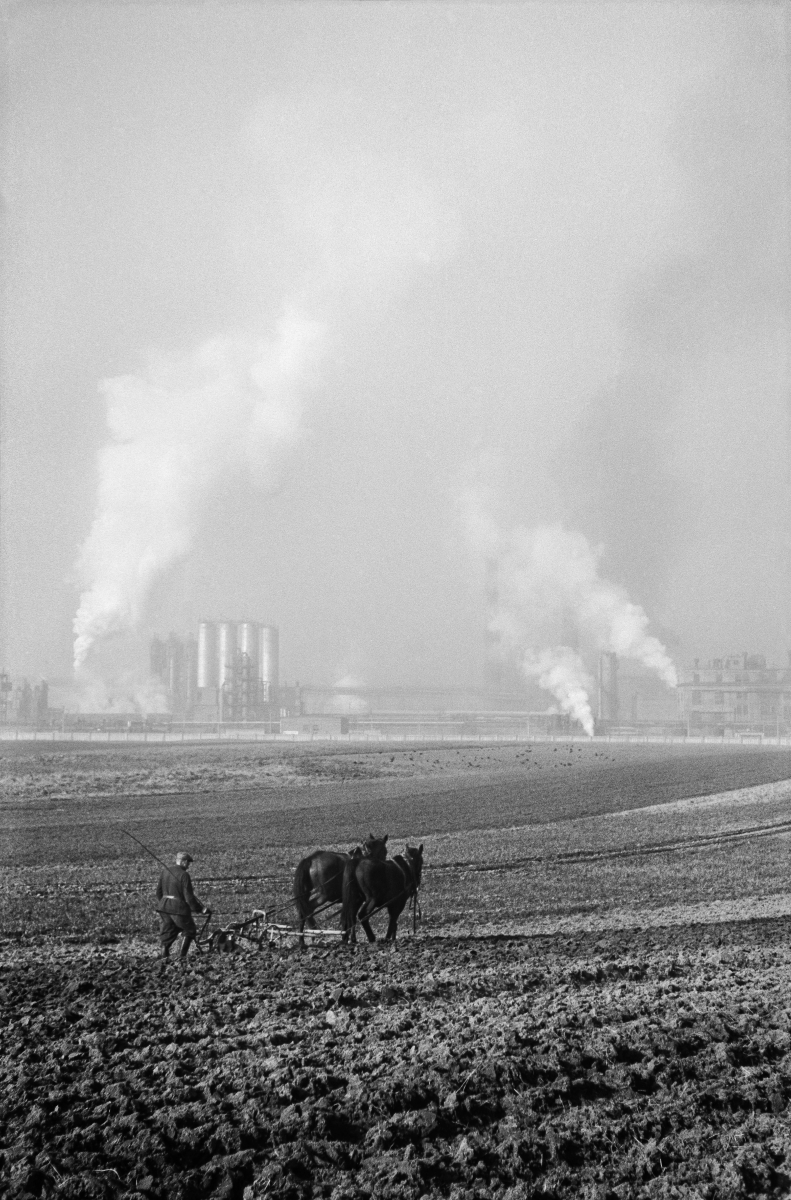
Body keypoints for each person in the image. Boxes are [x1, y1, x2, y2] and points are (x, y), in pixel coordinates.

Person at [156, 851, 210, 960]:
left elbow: (158, 892)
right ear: (184, 862)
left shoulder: (165, 871)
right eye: (188, 863)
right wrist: (200, 909)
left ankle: (164, 955)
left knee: (169, 930)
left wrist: (164, 904)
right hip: (178, 908)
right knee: (189, 930)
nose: (189, 866)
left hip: (163, 907)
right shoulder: (184, 875)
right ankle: (182, 956)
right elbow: (189, 897)